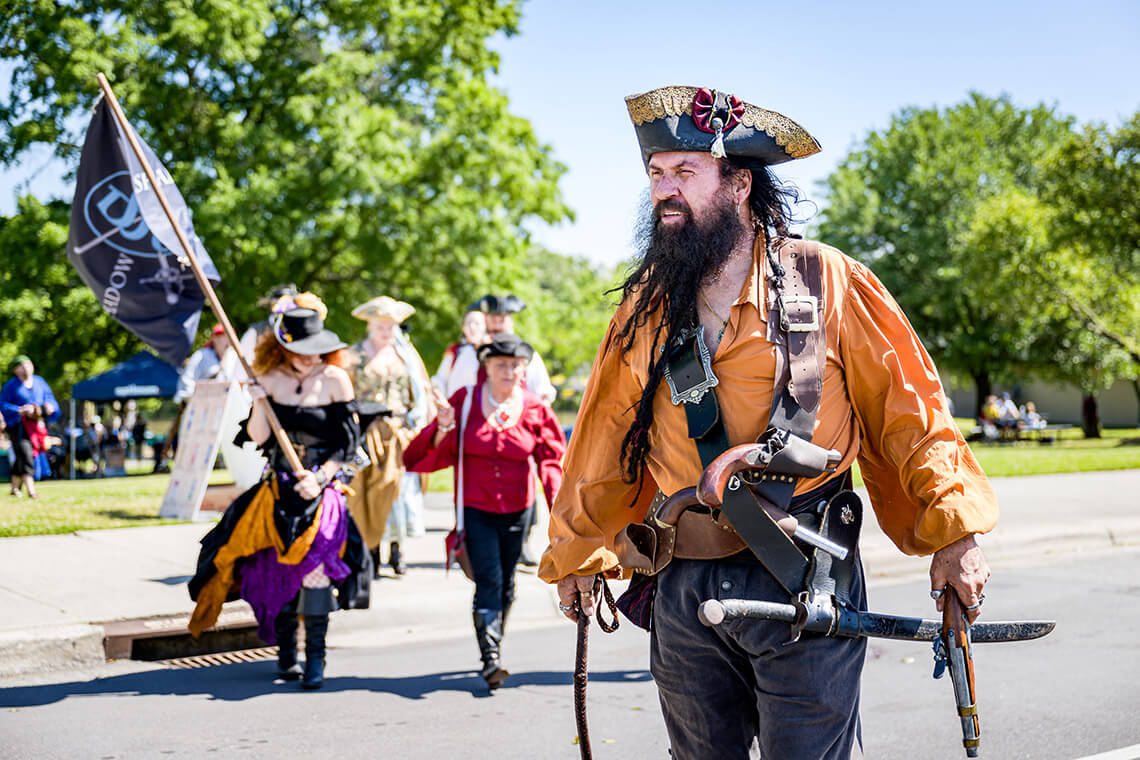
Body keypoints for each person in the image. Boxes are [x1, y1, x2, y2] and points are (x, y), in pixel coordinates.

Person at [539, 85, 997, 759]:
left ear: (738, 183)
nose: (665, 189)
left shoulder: (830, 280)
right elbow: (604, 436)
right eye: (656, 173)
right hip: (682, 583)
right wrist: (579, 554)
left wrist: (954, 534)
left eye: (684, 172)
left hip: (806, 570)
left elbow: (911, 413)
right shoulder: (645, 304)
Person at [188, 300, 370, 690]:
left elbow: (348, 444)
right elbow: (257, 438)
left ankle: (316, 659)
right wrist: (257, 399)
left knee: (317, 571)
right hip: (278, 488)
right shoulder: (268, 379)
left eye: (316, 349)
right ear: (283, 347)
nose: (310, 358)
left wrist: (320, 479)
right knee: (277, 573)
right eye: (301, 351)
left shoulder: (336, 379)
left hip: (322, 491)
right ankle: (288, 654)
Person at [404, 333, 566, 690]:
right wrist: (443, 425)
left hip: (518, 510)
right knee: (490, 578)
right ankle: (490, 658)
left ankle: (494, 642)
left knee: (507, 583)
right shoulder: (464, 401)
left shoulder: (536, 407)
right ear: (486, 368)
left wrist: (560, 512)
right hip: (475, 508)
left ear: (524, 370)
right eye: (500, 365)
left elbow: (552, 462)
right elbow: (418, 457)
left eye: (515, 366)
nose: (508, 371)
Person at [345, 296, 435, 577]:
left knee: (398, 491)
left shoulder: (406, 355)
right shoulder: (354, 355)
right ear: (370, 324)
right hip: (367, 432)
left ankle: (397, 548)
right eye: (381, 325)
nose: (386, 331)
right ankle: (371, 550)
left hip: (398, 433)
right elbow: (346, 393)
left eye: (390, 325)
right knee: (368, 489)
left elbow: (421, 392)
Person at [446, 294, 557, 404]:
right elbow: (455, 395)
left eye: (502, 321)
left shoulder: (527, 354)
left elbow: (544, 395)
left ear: (511, 322)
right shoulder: (469, 353)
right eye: (493, 320)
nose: (497, 326)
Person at [1, 355, 60, 498]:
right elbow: (3, 404)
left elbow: (50, 400)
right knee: (27, 454)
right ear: (16, 370)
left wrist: (47, 408)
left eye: (28, 364)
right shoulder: (11, 385)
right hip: (18, 425)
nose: (26, 367)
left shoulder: (40, 382)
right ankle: (31, 490)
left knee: (21, 456)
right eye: (22, 365)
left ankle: (14, 489)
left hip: (36, 426)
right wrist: (20, 410)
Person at [432, 304, 487, 395]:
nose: (472, 327)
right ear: (463, 328)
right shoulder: (455, 351)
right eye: (468, 323)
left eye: (477, 323)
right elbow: (441, 379)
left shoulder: (491, 352)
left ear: (485, 327)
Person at [174, 324, 233, 403]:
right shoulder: (201, 355)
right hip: (200, 403)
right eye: (221, 336)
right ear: (214, 338)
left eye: (228, 336)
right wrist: (194, 399)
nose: (225, 339)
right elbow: (187, 379)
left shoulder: (234, 358)